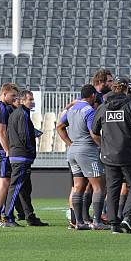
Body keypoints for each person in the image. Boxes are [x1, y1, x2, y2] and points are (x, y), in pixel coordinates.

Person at [92, 77, 131, 234]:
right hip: (128, 154)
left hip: (109, 156)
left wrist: (104, 146)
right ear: (126, 89)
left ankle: (113, 225)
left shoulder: (103, 108)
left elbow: (94, 130)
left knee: (112, 189)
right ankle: (128, 218)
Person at [56, 84, 107, 230]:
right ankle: (97, 222)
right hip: (87, 151)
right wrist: (103, 147)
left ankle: (79, 222)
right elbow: (93, 134)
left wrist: (70, 143)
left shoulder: (71, 109)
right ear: (92, 96)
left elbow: (59, 126)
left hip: (73, 152)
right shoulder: (89, 110)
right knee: (99, 186)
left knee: (78, 187)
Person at [2, 90, 47, 226]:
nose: (32, 102)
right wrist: (31, 150)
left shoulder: (18, 114)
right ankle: (8, 217)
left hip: (18, 155)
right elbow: (24, 136)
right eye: (30, 99)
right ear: (22, 100)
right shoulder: (22, 114)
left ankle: (30, 216)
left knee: (25, 188)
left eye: (32, 99)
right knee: (16, 186)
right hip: (21, 156)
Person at [0, 83, 18, 226]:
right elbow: (1, 132)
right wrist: (7, 151)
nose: (14, 98)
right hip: (0, 151)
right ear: (4, 94)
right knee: (4, 183)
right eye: (12, 95)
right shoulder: (0, 110)